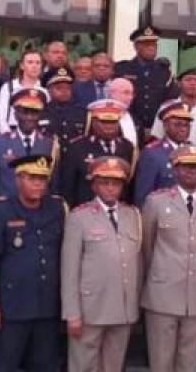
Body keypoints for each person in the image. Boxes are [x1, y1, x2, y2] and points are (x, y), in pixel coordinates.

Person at [0, 155, 67, 372]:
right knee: (6, 365)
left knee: (46, 365)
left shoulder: (57, 208)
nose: (38, 183)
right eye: (32, 178)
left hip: (47, 306)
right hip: (12, 307)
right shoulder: (0, 211)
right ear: (18, 179)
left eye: (42, 179)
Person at [140, 145, 196, 372]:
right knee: (161, 361)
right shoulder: (156, 202)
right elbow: (147, 247)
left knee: (189, 363)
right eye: (186, 167)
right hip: (162, 294)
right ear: (174, 170)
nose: (192, 172)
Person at [61, 156, 141, 372]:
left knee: (113, 366)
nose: (110, 188)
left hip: (122, 308)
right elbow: (69, 270)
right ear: (94, 185)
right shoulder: (79, 217)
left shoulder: (132, 215)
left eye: (116, 183)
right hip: (90, 310)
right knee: (83, 366)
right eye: (105, 182)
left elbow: (137, 264)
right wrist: (72, 313)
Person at [55, 100, 136, 207]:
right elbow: (67, 186)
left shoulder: (127, 147)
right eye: (104, 122)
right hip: (85, 210)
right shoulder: (77, 147)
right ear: (93, 122)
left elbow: (129, 186)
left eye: (113, 122)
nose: (109, 126)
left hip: (118, 210)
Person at [0, 89, 58, 199]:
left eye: (34, 113)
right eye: (25, 112)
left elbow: (53, 185)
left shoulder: (50, 144)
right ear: (15, 114)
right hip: (7, 210)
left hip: (39, 210)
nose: (29, 117)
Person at [113, 26, 175, 130]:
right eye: (147, 44)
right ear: (136, 46)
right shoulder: (122, 69)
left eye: (154, 44)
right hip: (128, 126)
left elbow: (169, 101)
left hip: (156, 129)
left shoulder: (165, 72)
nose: (152, 48)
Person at [133, 101, 192, 206]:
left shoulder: (193, 151)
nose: (183, 129)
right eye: (177, 124)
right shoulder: (152, 153)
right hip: (163, 217)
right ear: (165, 126)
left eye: (186, 125)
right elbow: (143, 197)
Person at [150, 68, 196, 145]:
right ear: (179, 84)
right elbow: (156, 137)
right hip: (170, 155)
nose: (192, 83)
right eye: (188, 80)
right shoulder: (166, 108)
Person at [0, 49, 46, 135]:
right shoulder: (8, 87)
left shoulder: (44, 92)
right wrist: (10, 138)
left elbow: (44, 120)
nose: (35, 66)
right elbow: (0, 119)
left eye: (38, 63)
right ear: (22, 65)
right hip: (11, 133)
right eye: (30, 62)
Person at [41, 68, 86, 160]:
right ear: (49, 90)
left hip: (75, 161)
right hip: (49, 160)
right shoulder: (41, 112)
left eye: (68, 88)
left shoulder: (82, 113)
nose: (64, 91)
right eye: (59, 88)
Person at [108, 77, 144, 147]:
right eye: (126, 92)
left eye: (132, 94)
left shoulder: (136, 121)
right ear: (112, 93)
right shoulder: (99, 118)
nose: (130, 97)